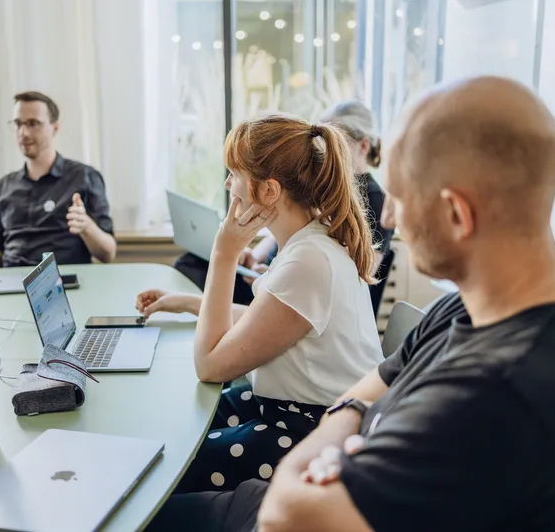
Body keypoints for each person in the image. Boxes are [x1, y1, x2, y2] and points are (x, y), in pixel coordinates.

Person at [146, 76, 555, 532]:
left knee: (143, 508)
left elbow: (287, 517)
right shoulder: (468, 311)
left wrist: (342, 430)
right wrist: (350, 417)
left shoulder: (499, 392)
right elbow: (367, 387)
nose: (389, 218)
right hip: (328, 481)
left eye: (400, 198)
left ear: (456, 213)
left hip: (294, 504)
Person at [136, 115, 383, 494]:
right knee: (171, 424)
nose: (227, 184)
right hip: (291, 408)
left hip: (309, 429)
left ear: (269, 191)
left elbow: (209, 367)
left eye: (234, 174)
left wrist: (224, 254)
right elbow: (268, 324)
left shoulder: (307, 260)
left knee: (164, 466)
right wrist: (189, 303)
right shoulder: (308, 242)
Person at [173, 100, 394, 305]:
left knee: (195, 271)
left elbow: (359, 272)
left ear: (363, 147)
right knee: (192, 262)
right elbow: (287, 227)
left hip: (289, 280)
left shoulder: (373, 200)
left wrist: (274, 275)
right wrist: (255, 256)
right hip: (277, 273)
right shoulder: (319, 187)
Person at [0, 91, 116, 267]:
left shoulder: (83, 177)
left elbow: (108, 254)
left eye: (33, 123)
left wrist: (87, 227)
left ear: (54, 128)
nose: (24, 133)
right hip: (12, 284)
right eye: (19, 124)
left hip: (61, 285)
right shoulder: (5, 187)